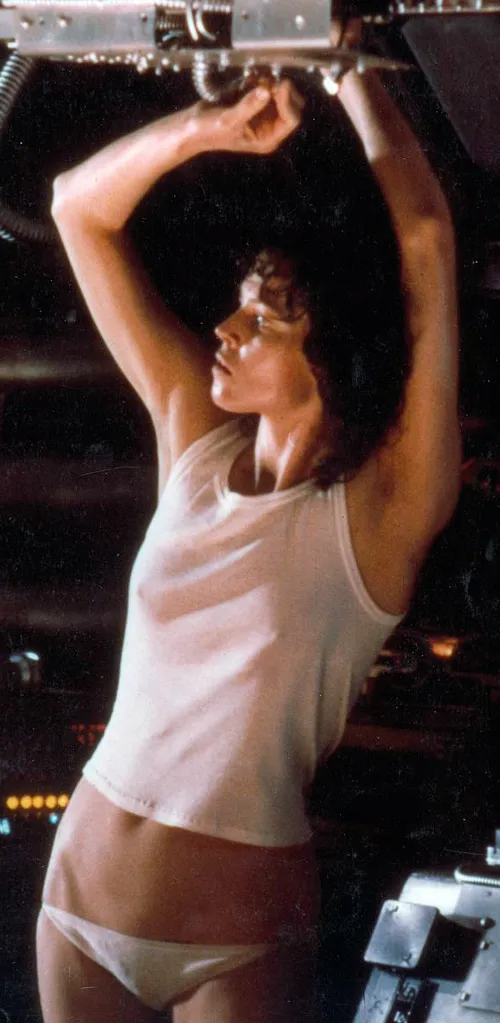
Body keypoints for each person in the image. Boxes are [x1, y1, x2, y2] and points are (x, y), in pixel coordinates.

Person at [36, 34, 461, 1023]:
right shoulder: (194, 440)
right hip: (79, 911)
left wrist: (350, 66)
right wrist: (207, 128)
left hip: (235, 938)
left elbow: (425, 242)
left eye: (263, 321)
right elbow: (74, 209)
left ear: (329, 355)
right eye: (237, 307)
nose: (225, 331)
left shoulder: (382, 515)